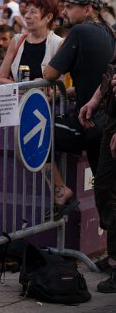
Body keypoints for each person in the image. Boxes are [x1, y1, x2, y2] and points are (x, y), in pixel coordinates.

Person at [0, 0, 72, 217]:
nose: (27, 17)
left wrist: (49, 93)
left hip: (50, 110)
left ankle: (59, 190)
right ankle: (57, 192)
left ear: (48, 17)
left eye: (33, 12)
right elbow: (1, 77)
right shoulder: (17, 41)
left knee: (38, 144)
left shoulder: (58, 44)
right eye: (26, 11)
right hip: (21, 109)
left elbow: (66, 84)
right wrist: (25, 88)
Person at [44, 0, 116, 197]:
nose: (64, 11)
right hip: (105, 122)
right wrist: (63, 94)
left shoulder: (80, 32)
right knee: (108, 192)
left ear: (88, 10)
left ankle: (60, 191)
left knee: (38, 136)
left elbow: (49, 73)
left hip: (91, 124)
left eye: (69, 7)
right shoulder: (108, 32)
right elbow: (97, 80)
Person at [78, 66, 116, 293]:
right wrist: (95, 100)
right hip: (111, 119)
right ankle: (113, 257)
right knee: (105, 189)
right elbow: (111, 73)